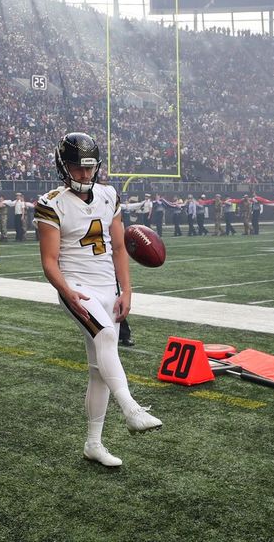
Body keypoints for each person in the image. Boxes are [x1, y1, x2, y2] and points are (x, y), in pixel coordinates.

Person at [36, 132, 162, 469]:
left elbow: (120, 248)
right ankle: (131, 409)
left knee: (98, 370)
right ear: (64, 167)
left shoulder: (109, 195)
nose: (84, 174)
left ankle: (94, 443)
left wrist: (126, 290)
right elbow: (49, 261)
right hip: (77, 287)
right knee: (106, 336)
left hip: (108, 288)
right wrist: (66, 291)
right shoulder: (51, 202)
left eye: (89, 168)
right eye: (77, 168)